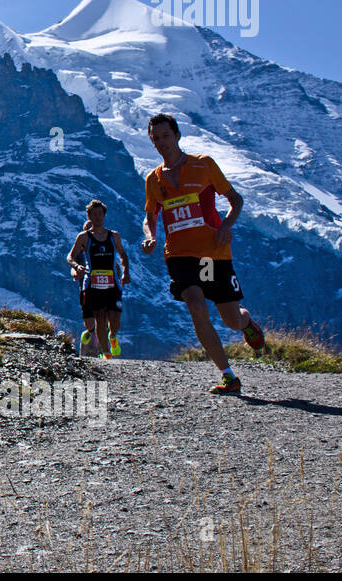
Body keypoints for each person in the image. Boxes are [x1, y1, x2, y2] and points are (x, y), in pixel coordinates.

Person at [139, 113, 267, 394]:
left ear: (177, 136)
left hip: (212, 254)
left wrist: (226, 227)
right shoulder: (153, 179)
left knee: (230, 320)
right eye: (155, 138)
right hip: (179, 255)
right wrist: (151, 237)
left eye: (165, 136)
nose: (161, 143)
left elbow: (235, 200)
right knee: (196, 306)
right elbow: (150, 216)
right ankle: (229, 376)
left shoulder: (203, 165)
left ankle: (247, 323)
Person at [66, 200, 129, 357]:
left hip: (112, 284)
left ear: (104, 215)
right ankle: (107, 354)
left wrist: (125, 272)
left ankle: (112, 336)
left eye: (100, 214)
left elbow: (122, 255)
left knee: (114, 320)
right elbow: (70, 256)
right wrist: (76, 266)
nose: (98, 217)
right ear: (89, 216)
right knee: (100, 319)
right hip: (92, 284)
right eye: (94, 214)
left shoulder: (114, 236)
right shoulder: (83, 237)